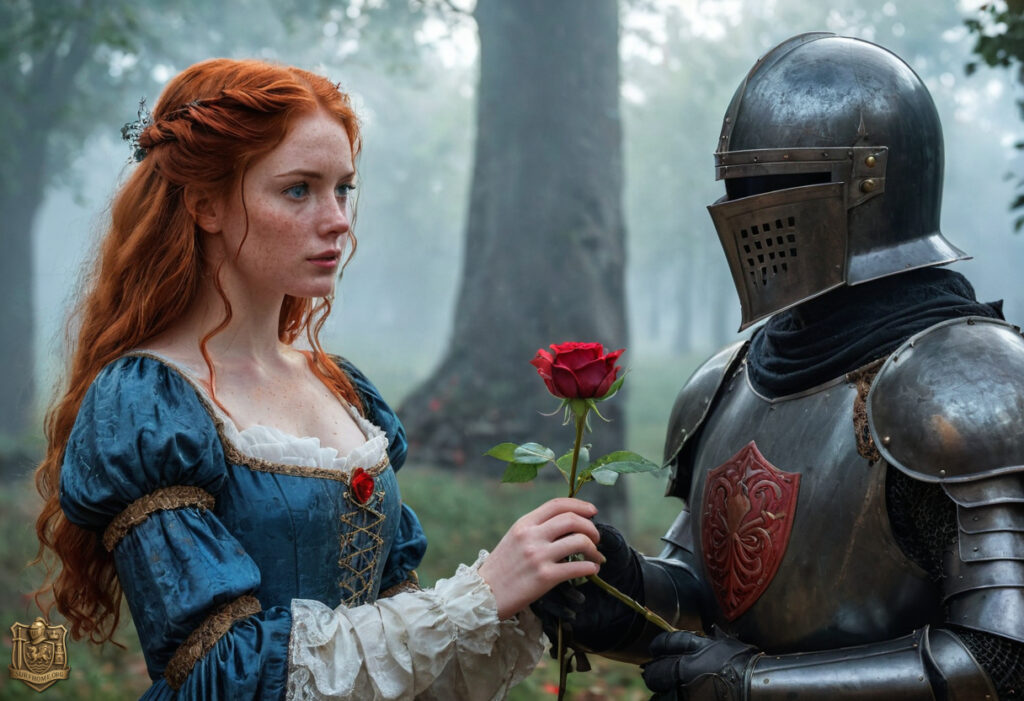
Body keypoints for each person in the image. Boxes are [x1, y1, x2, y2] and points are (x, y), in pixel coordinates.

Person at [33, 58, 604, 700]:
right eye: (299, 190)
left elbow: (398, 660)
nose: (337, 220)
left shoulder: (345, 392)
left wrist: (524, 599)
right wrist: (478, 596)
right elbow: (224, 673)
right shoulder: (149, 405)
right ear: (205, 205)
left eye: (343, 189)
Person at [534, 33, 1024, 699]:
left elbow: (1000, 658)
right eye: (741, 184)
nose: (750, 209)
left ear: (871, 184)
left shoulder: (967, 385)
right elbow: (714, 597)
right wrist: (625, 593)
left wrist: (750, 685)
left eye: (781, 183)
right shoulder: (724, 383)